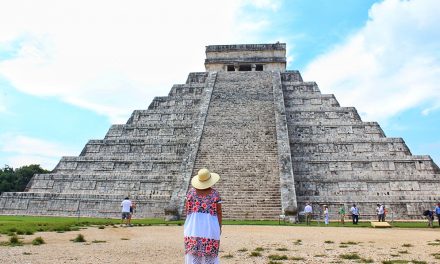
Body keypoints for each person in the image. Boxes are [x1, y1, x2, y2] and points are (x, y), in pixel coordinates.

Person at [184, 168, 222, 264]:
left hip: (193, 228)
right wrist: (219, 227)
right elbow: (219, 212)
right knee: (209, 255)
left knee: (193, 255)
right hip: (210, 228)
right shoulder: (215, 194)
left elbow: (187, 210)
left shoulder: (190, 193)